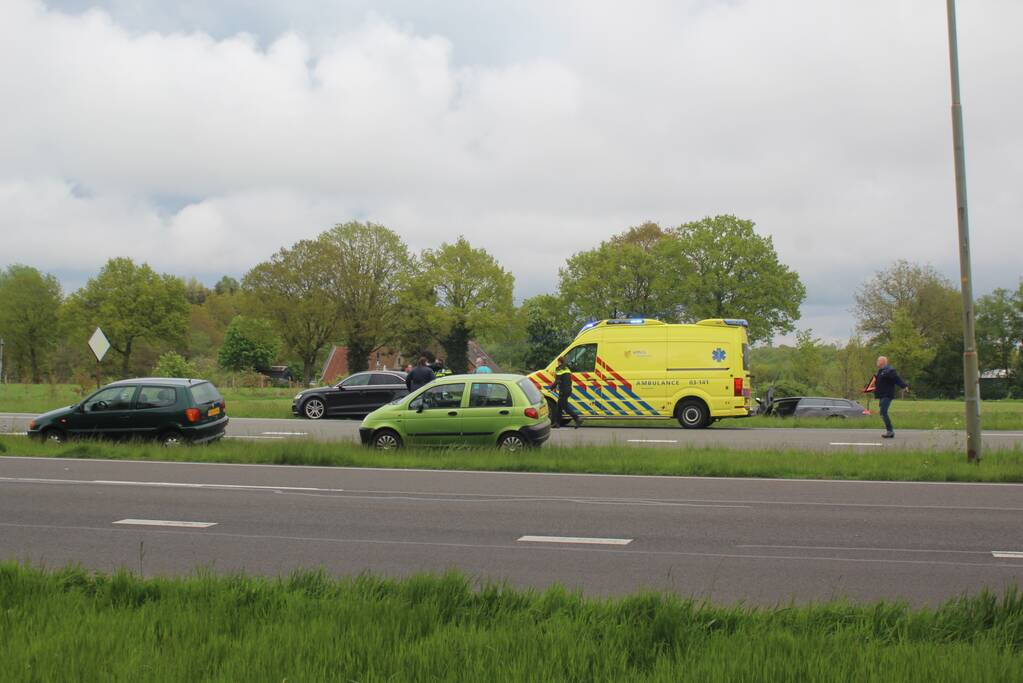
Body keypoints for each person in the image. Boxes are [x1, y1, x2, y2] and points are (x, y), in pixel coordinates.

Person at [873, 355, 909, 438]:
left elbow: (897, 378)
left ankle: (890, 431)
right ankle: (890, 431)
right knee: (882, 413)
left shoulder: (889, 370)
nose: (877, 362)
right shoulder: (881, 371)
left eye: (878, 360)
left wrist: (904, 386)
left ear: (882, 362)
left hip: (887, 395)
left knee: (883, 412)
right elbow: (878, 383)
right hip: (882, 395)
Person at [548, 356, 582, 429]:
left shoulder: (559, 369)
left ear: (559, 362)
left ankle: (577, 419)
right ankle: (557, 423)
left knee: (565, 407)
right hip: (568, 389)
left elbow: (557, 380)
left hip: (563, 390)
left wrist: (551, 388)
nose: (557, 363)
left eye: (558, 362)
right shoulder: (567, 368)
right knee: (559, 406)